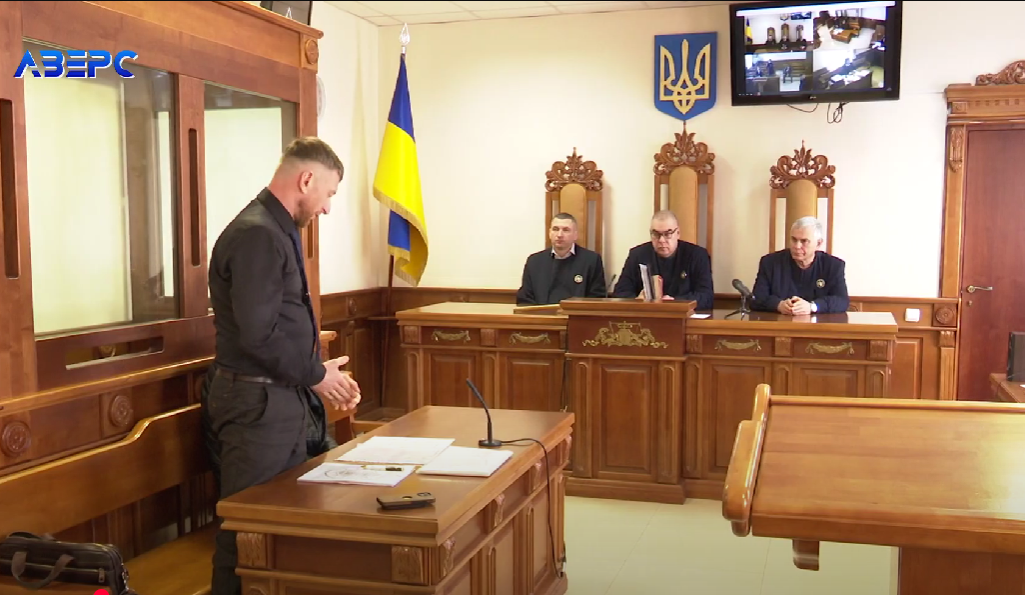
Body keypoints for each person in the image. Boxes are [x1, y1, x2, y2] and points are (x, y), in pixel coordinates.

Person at [201, 137, 361, 595]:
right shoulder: (257, 233)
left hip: (276, 397)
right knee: (248, 527)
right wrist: (317, 374)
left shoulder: (275, 227)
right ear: (306, 179)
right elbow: (259, 335)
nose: (327, 207)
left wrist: (318, 373)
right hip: (256, 405)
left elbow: (280, 323)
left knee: (285, 525)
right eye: (329, 193)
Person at [612, 210, 714, 310]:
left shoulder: (697, 255)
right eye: (656, 234)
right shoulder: (638, 255)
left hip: (683, 316)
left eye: (668, 234)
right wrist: (637, 300)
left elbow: (706, 297)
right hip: (647, 316)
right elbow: (620, 293)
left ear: (678, 233)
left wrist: (676, 302)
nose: (661, 240)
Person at [751, 215, 850, 315]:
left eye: (804, 241)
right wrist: (778, 305)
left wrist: (812, 306)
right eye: (794, 240)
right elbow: (756, 298)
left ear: (818, 244)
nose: (797, 246)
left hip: (817, 324)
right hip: (778, 322)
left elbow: (842, 301)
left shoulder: (833, 266)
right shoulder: (770, 263)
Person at [516, 213, 608, 305]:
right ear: (549, 233)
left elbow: (597, 298)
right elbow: (525, 299)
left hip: (577, 314)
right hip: (542, 313)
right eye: (555, 229)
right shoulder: (534, 262)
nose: (559, 235)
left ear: (575, 235)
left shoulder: (591, 260)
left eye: (566, 230)